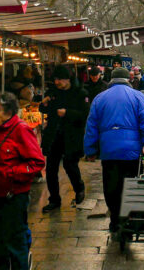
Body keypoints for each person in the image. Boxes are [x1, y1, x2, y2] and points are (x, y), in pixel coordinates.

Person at [83, 67, 144, 233]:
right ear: (128, 80)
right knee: (130, 184)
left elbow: (91, 126)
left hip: (109, 151)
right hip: (131, 152)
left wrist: (90, 150)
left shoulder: (99, 98)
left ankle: (115, 220)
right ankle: (129, 217)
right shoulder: (138, 96)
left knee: (111, 186)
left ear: (111, 80)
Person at [0, 92, 46, 269]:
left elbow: (37, 162)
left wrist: (11, 173)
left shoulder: (21, 130)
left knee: (15, 243)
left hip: (13, 198)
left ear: (9, 112)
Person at [39, 66, 89, 212]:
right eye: (55, 79)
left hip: (72, 136)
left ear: (68, 80)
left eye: (60, 79)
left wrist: (67, 113)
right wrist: (44, 104)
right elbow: (43, 109)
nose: (57, 82)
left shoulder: (80, 93)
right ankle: (54, 199)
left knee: (70, 165)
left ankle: (79, 188)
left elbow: (84, 115)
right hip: (54, 134)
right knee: (51, 169)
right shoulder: (53, 93)